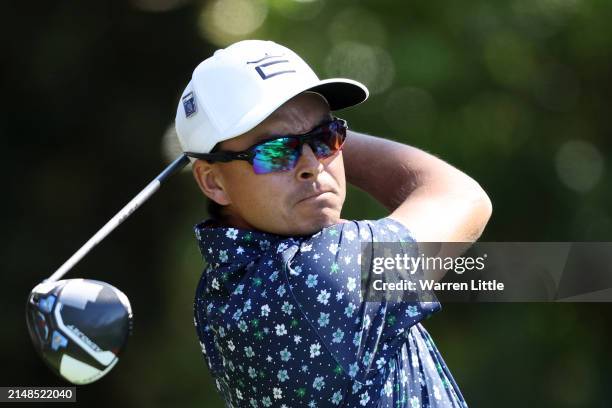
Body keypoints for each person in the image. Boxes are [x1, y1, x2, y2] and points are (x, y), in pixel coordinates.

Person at [175, 40, 492, 408]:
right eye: (275, 150)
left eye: (326, 138)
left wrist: (304, 139)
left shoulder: (220, 291)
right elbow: (461, 196)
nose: (311, 164)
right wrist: (323, 137)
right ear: (213, 182)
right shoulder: (323, 272)